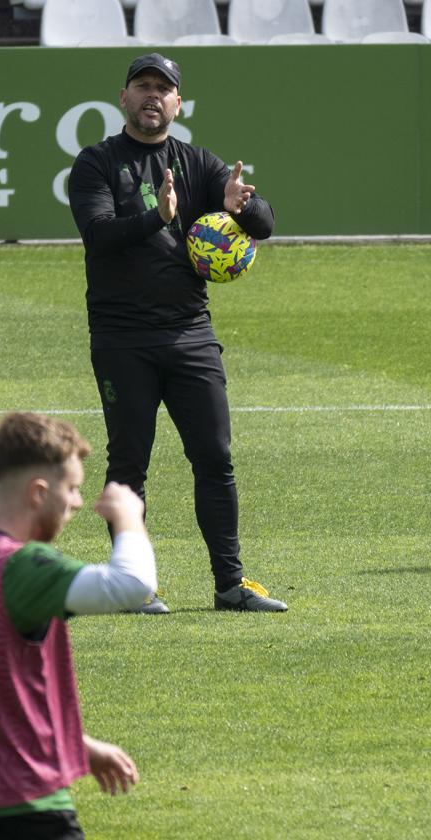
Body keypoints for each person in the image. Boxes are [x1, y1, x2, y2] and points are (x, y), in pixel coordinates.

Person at [66, 53, 286, 614]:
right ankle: (131, 587)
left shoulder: (198, 163)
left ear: (178, 104)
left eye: (163, 89)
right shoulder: (96, 163)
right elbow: (98, 235)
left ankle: (230, 585)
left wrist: (245, 205)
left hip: (191, 334)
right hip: (122, 338)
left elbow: (263, 225)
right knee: (129, 462)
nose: (152, 96)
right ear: (123, 97)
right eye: (142, 86)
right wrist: (158, 218)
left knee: (215, 457)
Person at [0, 412, 155, 839]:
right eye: (73, 488)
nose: (79, 503)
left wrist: (80, 748)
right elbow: (132, 585)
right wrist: (128, 517)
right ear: (38, 492)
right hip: (20, 810)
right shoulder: (20, 565)